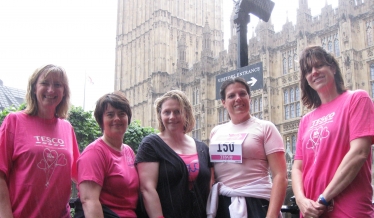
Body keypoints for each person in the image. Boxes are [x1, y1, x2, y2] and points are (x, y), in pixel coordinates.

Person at [292, 46, 374, 217]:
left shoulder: (357, 99)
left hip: (347, 207)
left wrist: (324, 198)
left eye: (319, 65)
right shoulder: (305, 120)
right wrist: (301, 201)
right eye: (308, 70)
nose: (314, 72)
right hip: (310, 211)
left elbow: (359, 152)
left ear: (333, 68)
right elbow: (298, 167)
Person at [0, 64, 80, 218]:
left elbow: (79, 175)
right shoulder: (14, 121)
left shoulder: (67, 128)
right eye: (45, 83)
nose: (51, 90)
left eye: (57, 85)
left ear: (64, 92)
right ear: (34, 88)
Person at [207, 77, 287, 218]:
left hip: (255, 201)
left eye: (242, 94)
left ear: (249, 98)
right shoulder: (215, 132)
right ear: (223, 103)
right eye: (231, 95)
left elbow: (280, 176)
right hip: (223, 204)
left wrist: (272, 215)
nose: (238, 98)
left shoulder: (266, 128)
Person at [136, 90, 214, 218]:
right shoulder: (151, 144)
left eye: (177, 111)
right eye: (167, 112)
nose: (172, 117)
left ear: (187, 114)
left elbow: (210, 185)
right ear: (160, 115)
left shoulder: (202, 148)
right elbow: (147, 189)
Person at [75, 91, 139, 218]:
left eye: (122, 114)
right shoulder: (94, 152)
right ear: (101, 120)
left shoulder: (128, 151)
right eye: (110, 114)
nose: (117, 118)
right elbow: (89, 201)